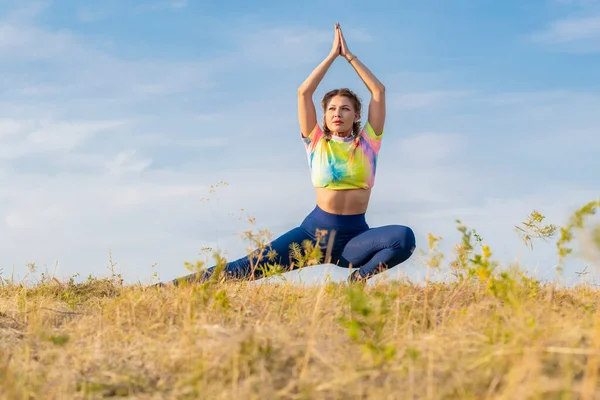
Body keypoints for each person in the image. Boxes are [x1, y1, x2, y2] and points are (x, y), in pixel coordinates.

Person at [163, 23, 416, 286]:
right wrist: (332, 56)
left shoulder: (368, 143)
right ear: (325, 116)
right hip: (311, 235)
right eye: (331, 109)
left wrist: (349, 57)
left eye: (344, 109)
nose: (337, 113)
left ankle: (357, 281)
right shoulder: (316, 141)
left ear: (356, 115)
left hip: (353, 241)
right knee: (245, 269)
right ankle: (166, 288)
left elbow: (379, 91)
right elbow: (303, 92)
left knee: (404, 238)